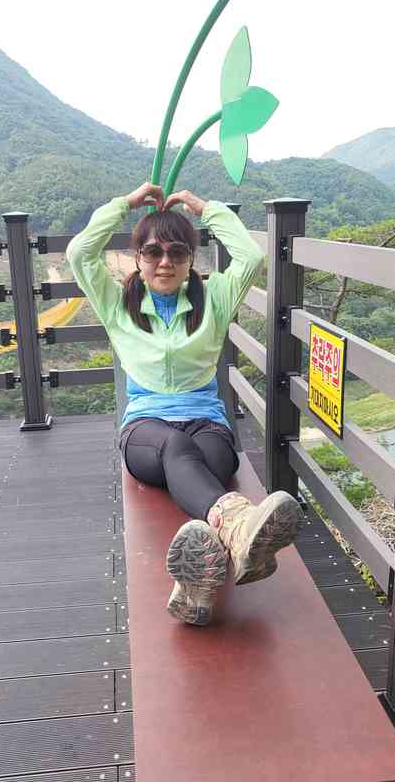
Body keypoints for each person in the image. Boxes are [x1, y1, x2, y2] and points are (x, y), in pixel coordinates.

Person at [67, 183, 301, 626]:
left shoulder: (214, 299)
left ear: (191, 259)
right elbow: (80, 253)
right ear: (138, 257)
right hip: (146, 432)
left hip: (206, 424)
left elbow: (251, 257)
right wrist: (125, 204)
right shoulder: (117, 304)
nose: (165, 261)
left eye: (177, 252)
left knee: (203, 458)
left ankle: (196, 586)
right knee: (176, 447)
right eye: (153, 251)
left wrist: (206, 209)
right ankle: (237, 525)